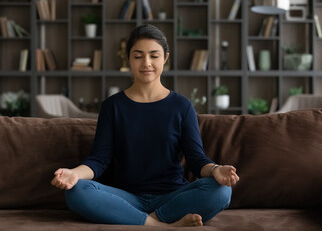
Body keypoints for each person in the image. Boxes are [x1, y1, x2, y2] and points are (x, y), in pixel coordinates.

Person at [51, 24, 239, 227]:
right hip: (125, 198)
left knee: (221, 189)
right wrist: (74, 174)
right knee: (76, 191)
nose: (146, 63)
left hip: (173, 196)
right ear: (128, 60)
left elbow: (196, 160)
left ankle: (149, 221)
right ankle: (159, 226)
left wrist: (217, 170)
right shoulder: (112, 106)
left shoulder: (182, 106)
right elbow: (99, 160)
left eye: (154, 55)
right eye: (138, 55)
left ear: (165, 58)